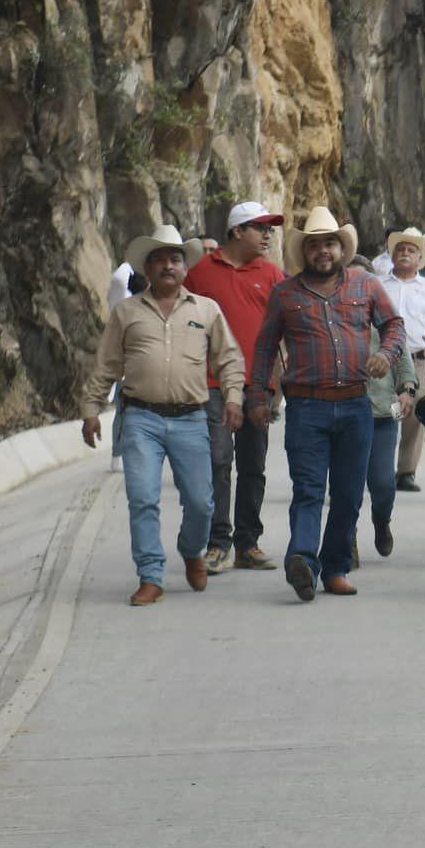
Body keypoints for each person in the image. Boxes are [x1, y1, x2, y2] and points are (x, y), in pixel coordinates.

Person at [246, 207, 407, 602]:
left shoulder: (366, 285)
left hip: (356, 405)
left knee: (350, 493)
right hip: (307, 408)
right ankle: (302, 559)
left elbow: (395, 326)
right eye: (315, 244)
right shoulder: (285, 294)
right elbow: (265, 347)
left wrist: (386, 355)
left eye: (330, 244)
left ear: (342, 248)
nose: (323, 251)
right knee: (309, 489)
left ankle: (335, 568)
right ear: (305, 251)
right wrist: (257, 397)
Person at [82, 226, 246, 606]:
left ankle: (192, 551)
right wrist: (91, 409)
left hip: (192, 419)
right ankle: (151, 575)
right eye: (160, 260)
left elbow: (228, 359)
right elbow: (106, 365)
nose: (169, 266)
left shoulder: (207, 310)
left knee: (202, 502)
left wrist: (234, 398)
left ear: (185, 268)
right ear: (148, 268)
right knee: (142, 497)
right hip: (142, 419)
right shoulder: (126, 313)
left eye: (175, 260)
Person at [184, 200, 288, 574]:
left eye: (270, 230)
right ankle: (218, 542)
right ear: (237, 231)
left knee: (253, 464)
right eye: (261, 228)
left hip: (258, 385)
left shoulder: (274, 275)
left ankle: (248, 543)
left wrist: (279, 383)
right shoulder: (199, 273)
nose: (267, 236)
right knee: (217, 460)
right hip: (211, 383)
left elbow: (285, 330)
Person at [346, 256, 416, 563]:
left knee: (383, 483)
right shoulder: (334, 317)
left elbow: (402, 357)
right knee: (347, 483)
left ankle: (381, 520)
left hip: (383, 413)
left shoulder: (385, 317)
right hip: (345, 411)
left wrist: (407, 390)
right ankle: (346, 540)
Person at [379, 228, 425, 494]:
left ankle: (406, 471)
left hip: (418, 360)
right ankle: (380, 468)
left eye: (411, 251)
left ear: (419, 258)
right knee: (385, 411)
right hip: (384, 359)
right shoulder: (379, 285)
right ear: (392, 256)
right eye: (400, 249)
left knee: (415, 414)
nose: (404, 253)